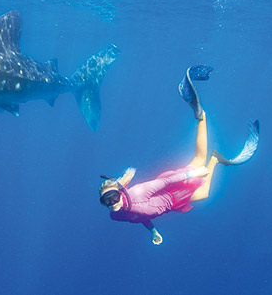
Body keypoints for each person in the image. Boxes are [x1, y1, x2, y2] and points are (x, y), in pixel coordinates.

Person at [99, 65, 260, 245]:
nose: (112, 203)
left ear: (120, 192)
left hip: (172, 194)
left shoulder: (137, 193)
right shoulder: (118, 215)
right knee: (199, 164)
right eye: (106, 201)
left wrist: (193, 174)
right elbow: (137, 216)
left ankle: (206, 129)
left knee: (201, 177)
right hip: (171, 203)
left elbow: (164, 182)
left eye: (113, 197)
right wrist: (153, 231)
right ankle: (209, 144)